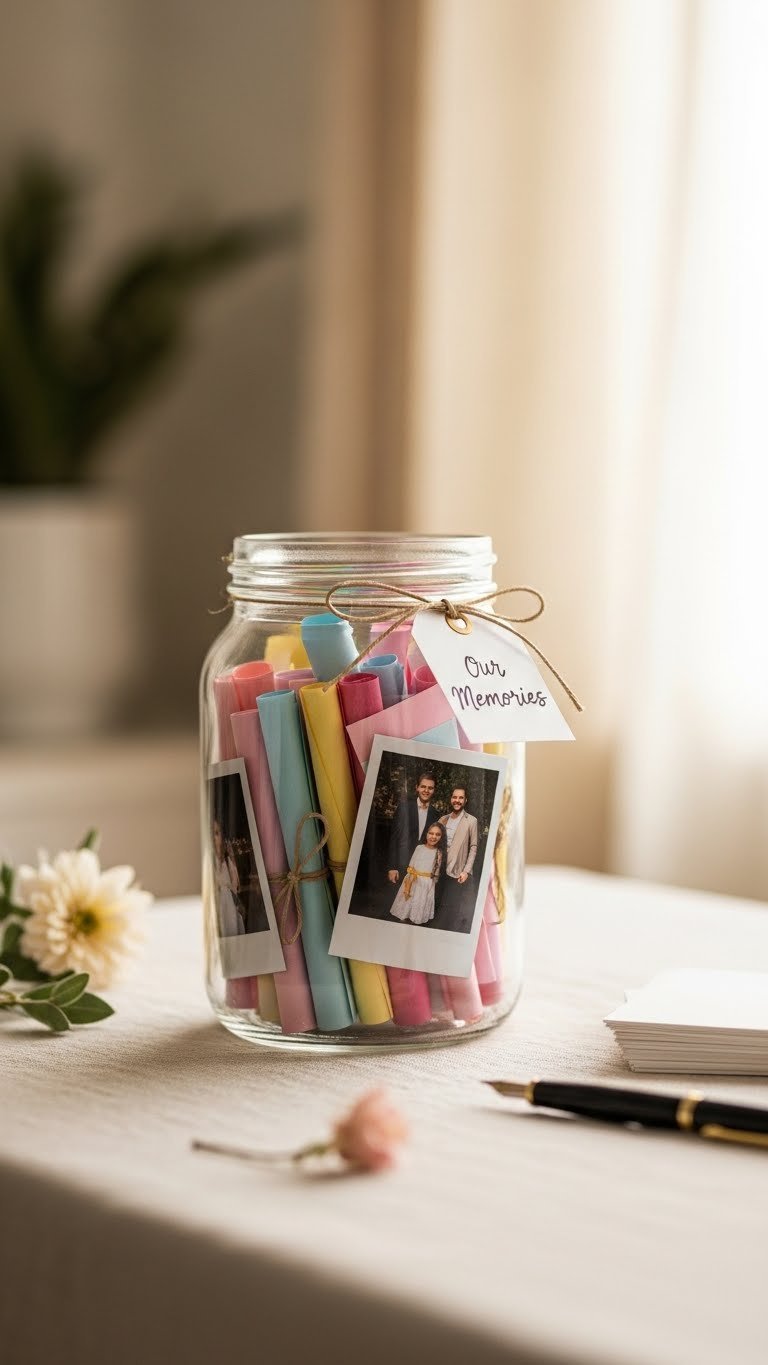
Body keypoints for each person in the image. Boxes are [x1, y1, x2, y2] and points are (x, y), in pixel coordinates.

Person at [387, 772, 441, 885]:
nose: (426, 790)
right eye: (423, 786)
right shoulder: (404, 807)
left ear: (434, 790)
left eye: (430, 788)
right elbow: (393, 838)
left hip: (423, 869)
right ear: (417, 787)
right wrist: (392, 867)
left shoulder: (436, 815)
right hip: (401, 867)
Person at [438, 788, 479, 932]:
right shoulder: (443, 819)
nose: (457, 800)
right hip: (439, 869)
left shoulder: (471, 821)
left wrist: (466, 871)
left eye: (461, 798)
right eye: (454, 797)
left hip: (457, 871)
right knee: (436, 905)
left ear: (465, 800)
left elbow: (473, 847)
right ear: (451, 799)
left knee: (450, 909)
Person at [389, 823, 444, 926]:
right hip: (413, 880)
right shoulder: (419, 848)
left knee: (420, 902)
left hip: (426, 883)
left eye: (437, 834)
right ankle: (404, 916)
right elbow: (412, 864)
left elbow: (436, 872)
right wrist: (410, 877)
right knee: (408, 901)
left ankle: (416, 919)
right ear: (426, 834)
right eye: (431, 833)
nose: (433, 837)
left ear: (441, 837)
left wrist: (432, 884)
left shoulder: (439, 852)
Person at [212, 818, 244, 936]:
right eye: (211, 834)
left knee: (232, 927)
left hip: (229, 903)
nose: (213, 837)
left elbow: (235, 885)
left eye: (216, 833)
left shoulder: (227, 859)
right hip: (217, 902)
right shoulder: (210, 862)